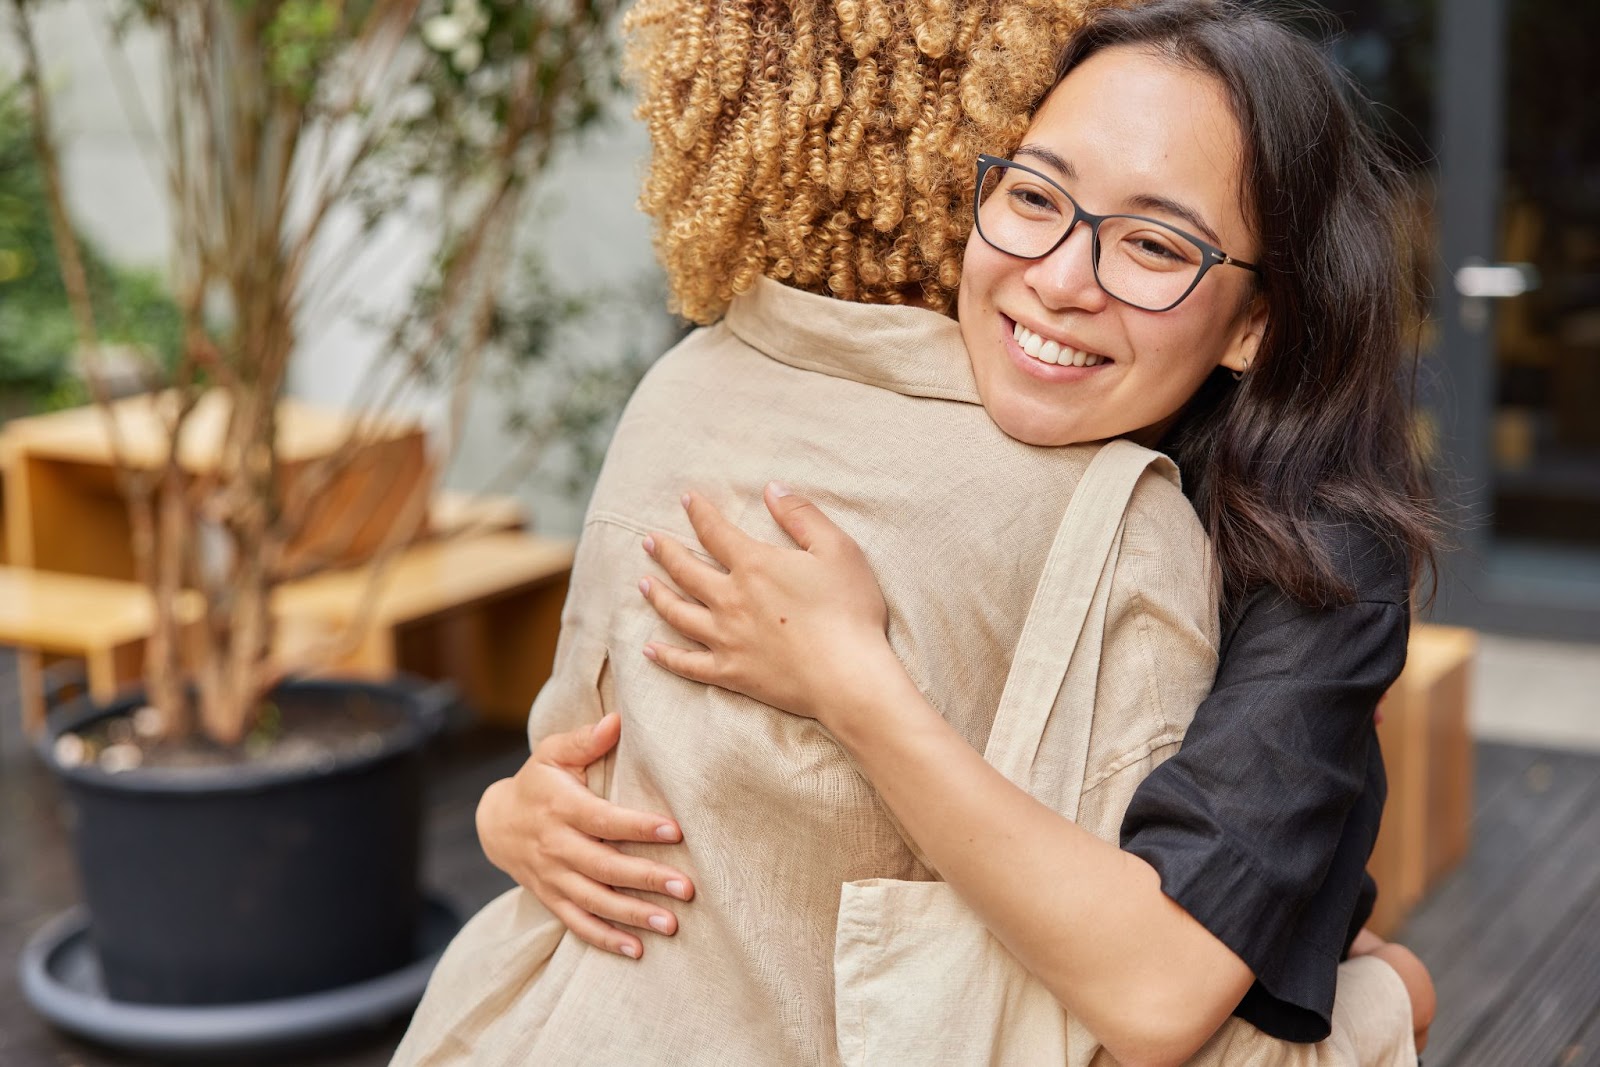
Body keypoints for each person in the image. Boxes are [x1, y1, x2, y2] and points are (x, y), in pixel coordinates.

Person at [398, 2, 1435, 1064]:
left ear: (1257, 322)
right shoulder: (899, 428)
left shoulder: (1313, 558)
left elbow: (1161, 989)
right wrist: (512, 811)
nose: (1062, 281)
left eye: (1154, 244)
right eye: (1035, 195)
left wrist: (853, 682)